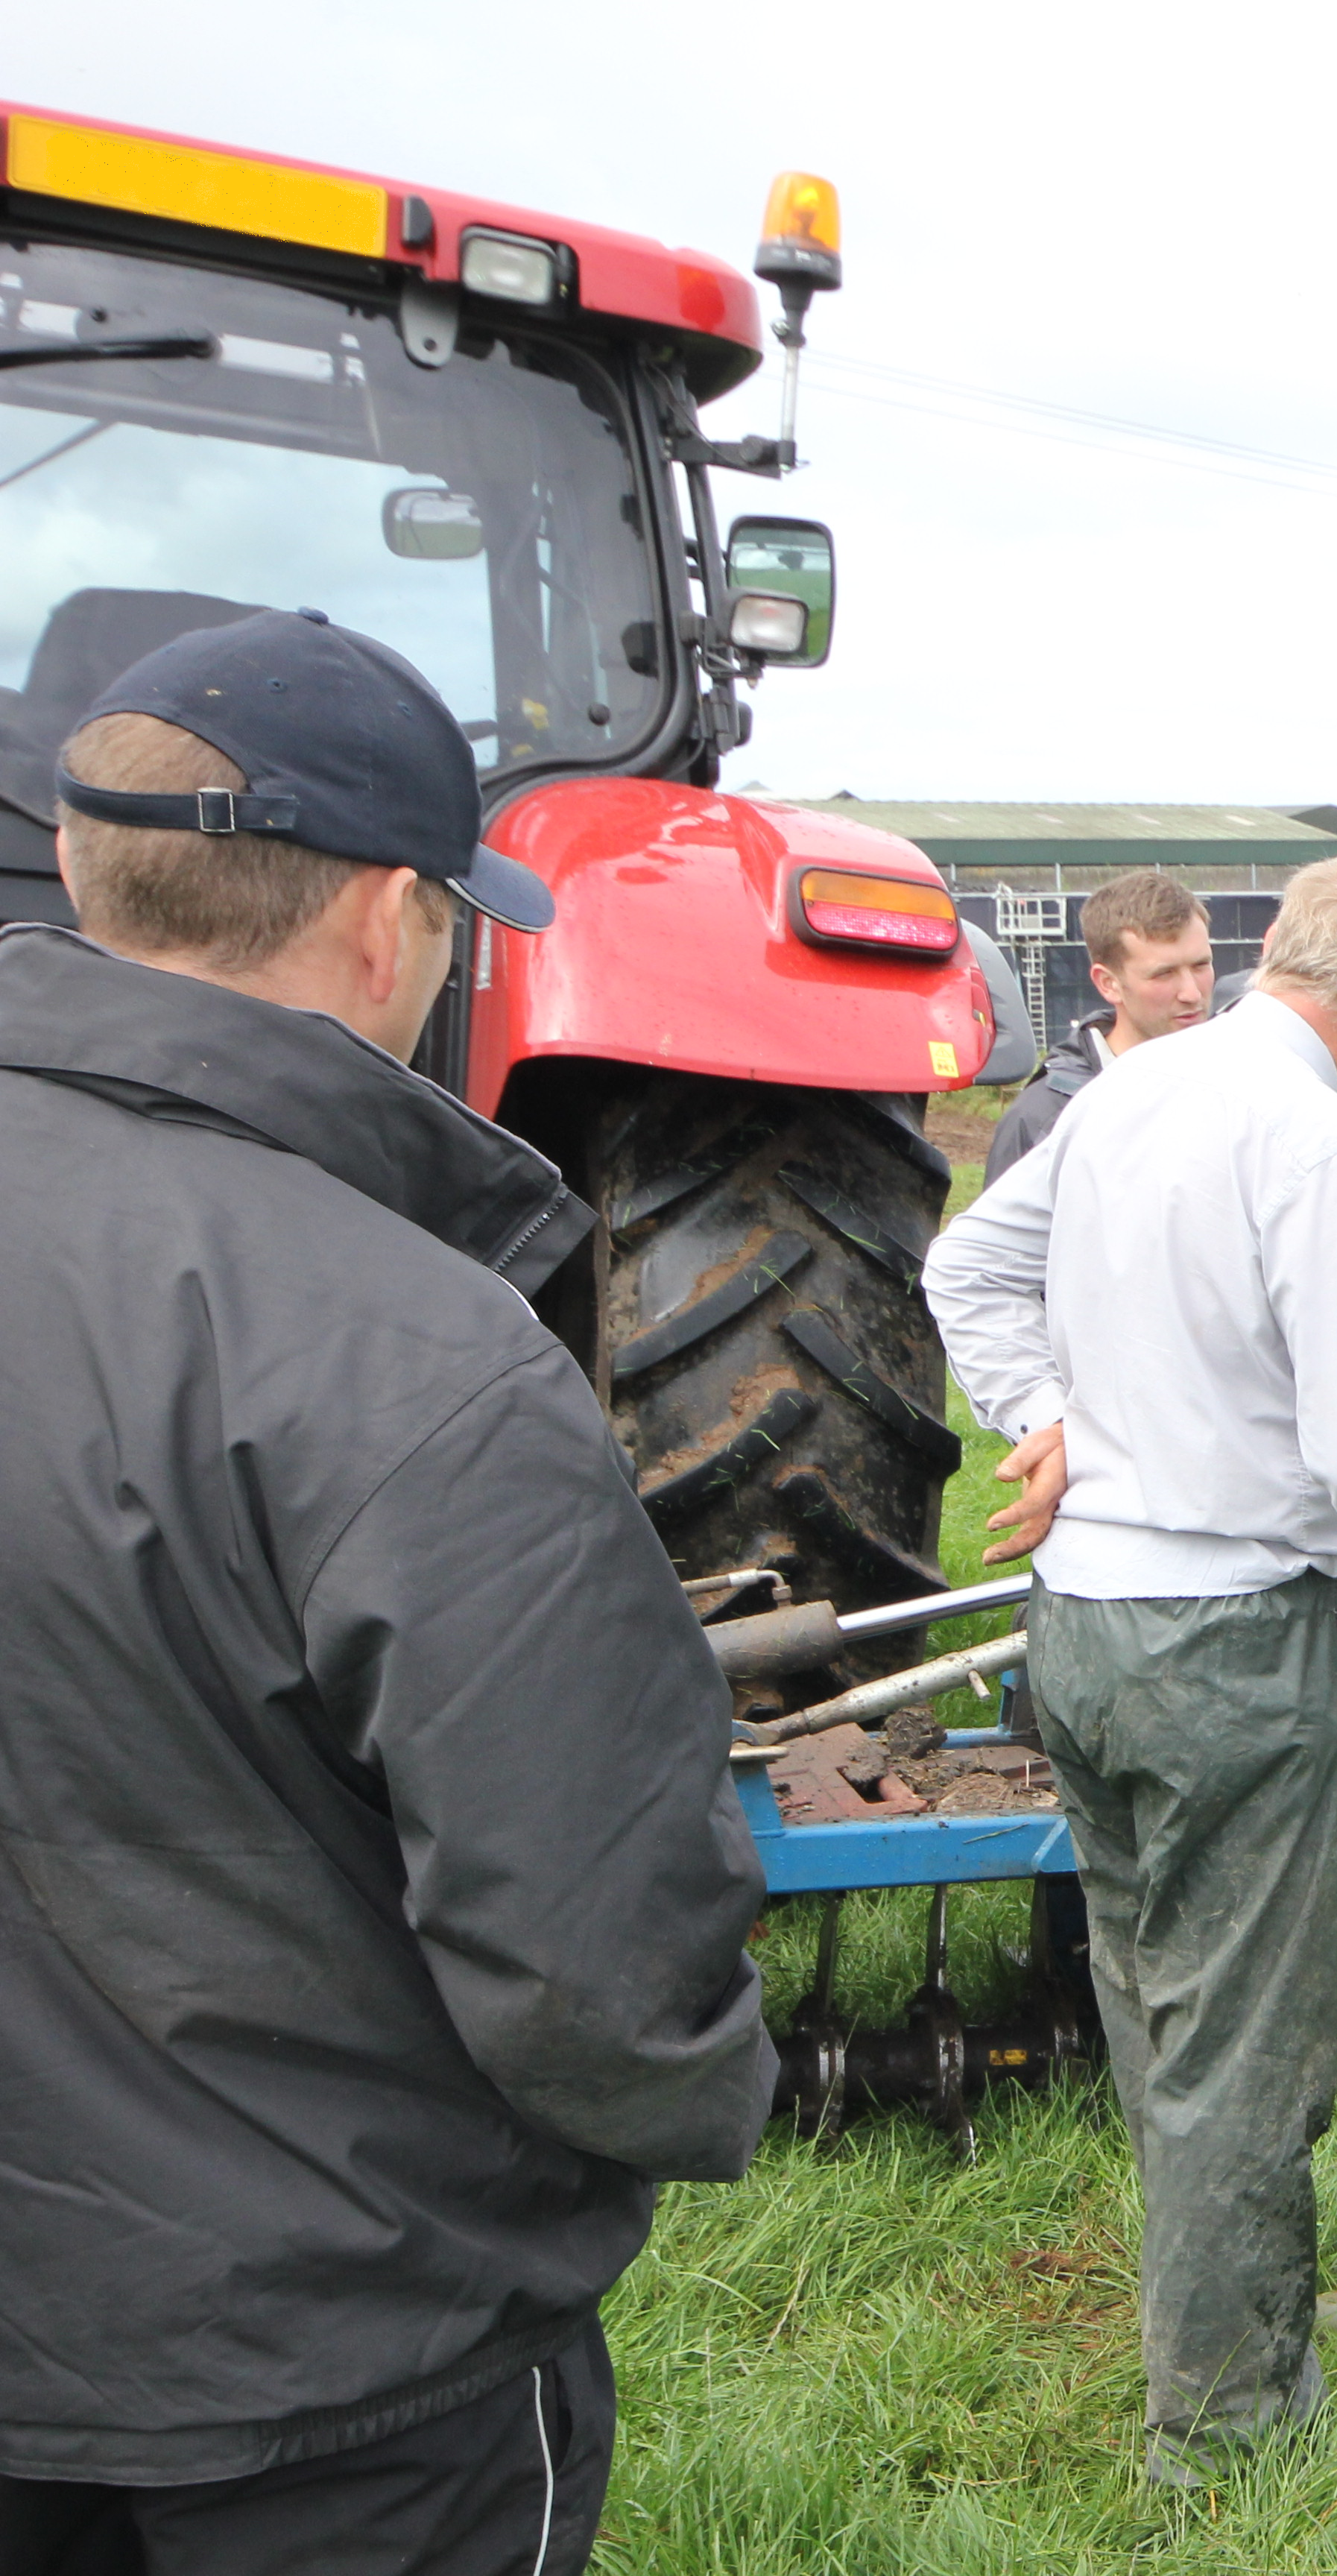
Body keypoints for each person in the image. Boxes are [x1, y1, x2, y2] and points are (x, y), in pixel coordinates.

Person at [0, 611, 771, 2570]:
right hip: (337, 2384)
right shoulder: (419, 1367)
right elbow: (604, 1973)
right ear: (383, 921)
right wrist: (705, 2085)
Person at [926, 854, 1337, 2481]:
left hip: (1076, 1636)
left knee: (1156, 2007)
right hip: (1226, 1644)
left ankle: (1232, 2301)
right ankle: (1221, 2433)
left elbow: (965, 1273)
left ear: (1273, 950)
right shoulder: (1324, 1147)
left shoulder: (1129, 1092)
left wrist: (1042, 1422)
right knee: (1240, 2043)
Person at [984, 865, 1216, 1190]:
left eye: (1201, 965)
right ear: (1109, 984)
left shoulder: (1244, 1086)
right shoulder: (1046, 1119)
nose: (1192, 993)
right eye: (1164, 974)